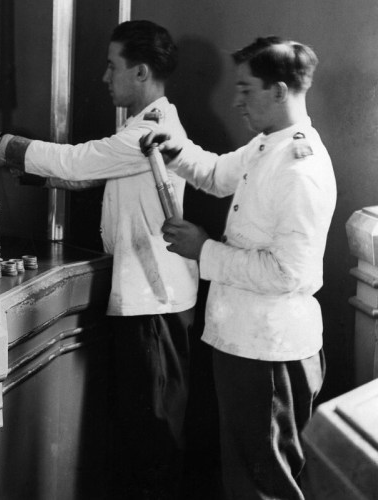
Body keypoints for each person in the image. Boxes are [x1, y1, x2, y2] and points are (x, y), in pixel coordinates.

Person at [0, 20, 198, 499]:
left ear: (141, 72)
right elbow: (89, 176)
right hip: (149, 300)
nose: (105, 77)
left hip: (154, 301)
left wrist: (0, 140)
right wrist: (11, 164)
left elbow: (79, 162)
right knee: (141, 432)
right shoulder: (142, 128)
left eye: (112, 66)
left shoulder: (151, 131)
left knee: (152, 436)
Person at [141, 36, 335, 500]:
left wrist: (203, 250)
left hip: (270, 352)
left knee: (265, 485)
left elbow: (288, 274)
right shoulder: (268, 145)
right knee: (248, 478)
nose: (237, 100)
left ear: (280, 91)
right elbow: (216, 175)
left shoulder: (300, 169)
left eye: (246, 89)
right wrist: (176, 150)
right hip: (246, 343)